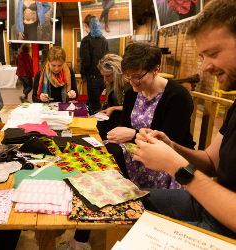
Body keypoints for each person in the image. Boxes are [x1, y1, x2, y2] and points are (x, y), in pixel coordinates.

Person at [132, 0, 236, 239]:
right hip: (211, 207)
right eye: (202, 56)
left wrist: (175, 166)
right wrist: (172, 147)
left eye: (213, 53)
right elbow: (211, 160)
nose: (205, 66)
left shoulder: (176, 96)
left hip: (227, 229)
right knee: (126, 201)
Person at [106, 42, 195, 189]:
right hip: (139, 150)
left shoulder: (177, 96)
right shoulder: (132, 92)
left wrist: (132, 134)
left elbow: (168, 142)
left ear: (155, 69)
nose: (132, 82)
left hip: (168, 158)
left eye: (136, 76)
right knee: (107, 153)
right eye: (127, 76)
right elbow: (125, 126)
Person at [96, 54, 130, 141]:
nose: (105, 79)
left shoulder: (130, 85)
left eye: (108, 76)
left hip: (124, 120)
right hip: (113, 118)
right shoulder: (111, 83)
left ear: (118, 74)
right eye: (103, 76)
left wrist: (113, 108)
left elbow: (132, 107)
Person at [80, 14, 109, 115]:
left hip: (92, 78)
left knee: (95, 108)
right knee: (91, 102)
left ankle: (98, 128)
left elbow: (86, 62)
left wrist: (83, 75)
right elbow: (107, 60)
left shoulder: (86, 41)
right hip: (104, 78)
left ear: (86, 25)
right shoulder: (104, 40)